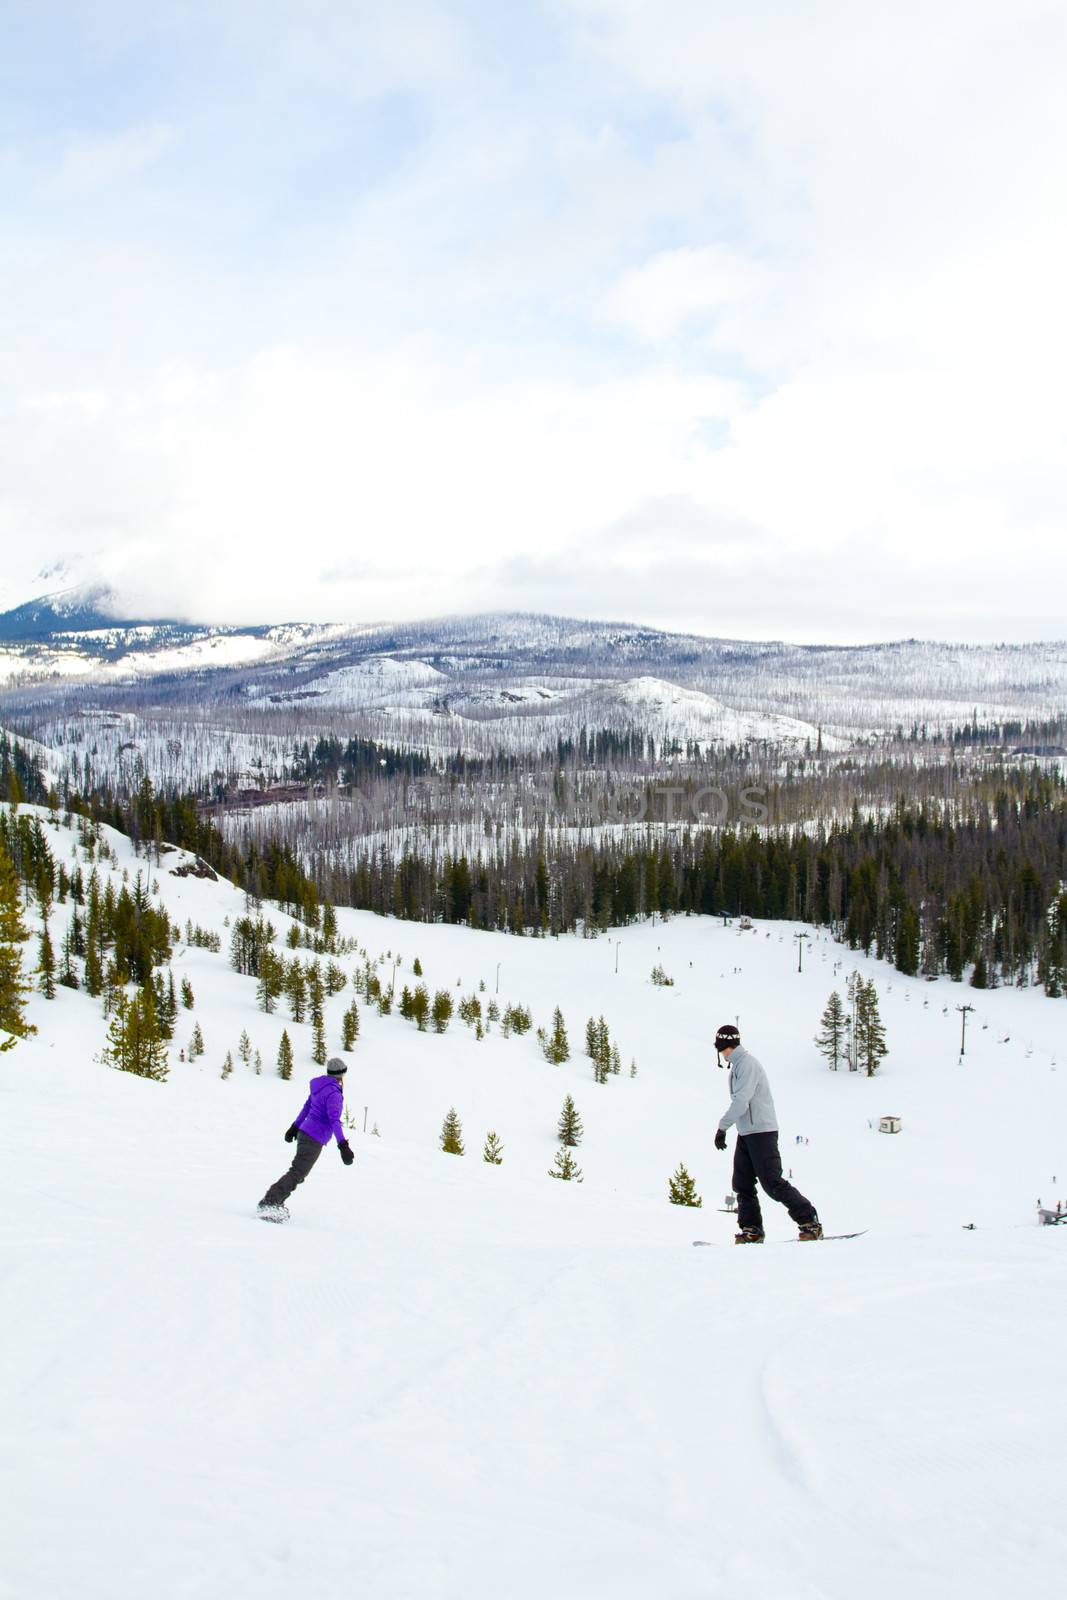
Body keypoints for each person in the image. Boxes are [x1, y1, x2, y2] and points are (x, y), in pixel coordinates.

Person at [713, 1024, 822, 1243]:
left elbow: (741, 1101)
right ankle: (752, 1230)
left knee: (772, 1183)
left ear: (726, 1045)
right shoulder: (737, 1065)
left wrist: (723, 1126)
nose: (720, 1052)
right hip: (747, 1132)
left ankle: (810, 1221)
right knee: (742, 1184)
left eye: (721, 1047)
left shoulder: (747, 1065)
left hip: (762, 1131)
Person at [258, 1057, 354, 1221]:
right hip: (314, 1138)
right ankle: (270, 1202)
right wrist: (343, 1145)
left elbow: (307, 1107)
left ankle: (274, 1202)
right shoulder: (333, 1093)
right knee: (297, 1173)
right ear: (341, 1074)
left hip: (305, 1132)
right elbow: (334, 1120)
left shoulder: (320, 1087)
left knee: (297, 1172)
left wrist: (295, 1127)